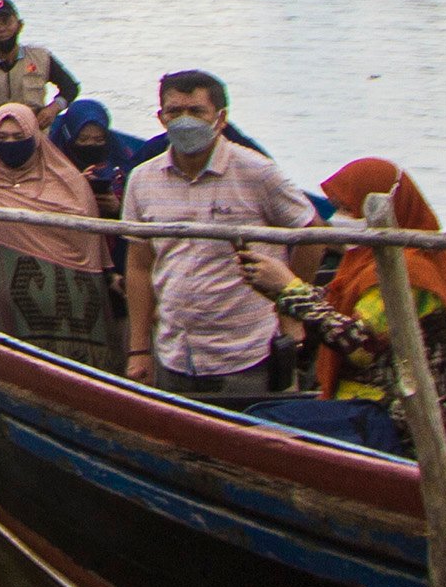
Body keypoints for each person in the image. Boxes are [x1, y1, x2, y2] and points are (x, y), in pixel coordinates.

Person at [118, 70, 321, 401]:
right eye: (174, 112)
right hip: (175, 353)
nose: (185, 121)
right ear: (161, 118)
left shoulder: (257, 173)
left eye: (196, 112)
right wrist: (139, 349)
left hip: (246, 354)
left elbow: (311, 234)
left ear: (221, 118)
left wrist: (289, 306)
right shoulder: (143, 180)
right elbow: (140, 265)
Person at [0, 78, 119, 366]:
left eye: (18, 136)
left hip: (69, 322)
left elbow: (91, 251)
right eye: (3, 138)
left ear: (35, 137)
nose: (11, 144)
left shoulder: (70, 184)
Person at [301, 158, 446, 407]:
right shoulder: (360, 261)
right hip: (355, 403)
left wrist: (289, 291)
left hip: (394, 416)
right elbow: (330, 304)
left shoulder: (411, 271)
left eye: (348, 208)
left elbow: (359, 345)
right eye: (336, 208)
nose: (338, 218)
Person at [0, 0, 80, 131]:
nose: (0, 29)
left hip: (34, 140)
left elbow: (71, 88)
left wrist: (53, 109)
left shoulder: (41, 58)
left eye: (6, 22)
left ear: (19, 25)